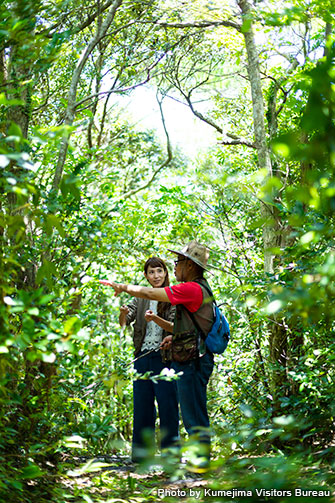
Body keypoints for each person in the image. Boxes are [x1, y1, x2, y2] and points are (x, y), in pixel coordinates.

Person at [100, 242, 215, 468]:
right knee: (156, 407)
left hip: (177, 359)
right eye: (151, 271)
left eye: (177, 262)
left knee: (178, 408)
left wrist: (122, 286)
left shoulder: (188, 289)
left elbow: (158, 301)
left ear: (190, 265)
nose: (173, 267)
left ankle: (187, 461)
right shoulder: (194, 287)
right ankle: (153, 456)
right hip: (151, 357)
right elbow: (185, 326)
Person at [103, 257, 179, 463]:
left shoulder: (172, 296)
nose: (156, 276)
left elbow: (176, 326)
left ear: (165, 273)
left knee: (168, 406)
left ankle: (170, 455)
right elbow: (123, 324)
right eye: (151, 272)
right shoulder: (140, 298)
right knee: (142, 406)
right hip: (142, 357)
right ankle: (141, 455)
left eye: (159, 271)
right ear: (146, 276)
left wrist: (155, 318)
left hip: (165, 359)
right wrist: (123, 313)